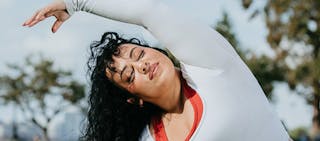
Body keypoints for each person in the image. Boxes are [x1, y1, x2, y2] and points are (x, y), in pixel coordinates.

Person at [23, 0, 292, 140]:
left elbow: (150, 12)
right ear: (133, 98)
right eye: (130, 76)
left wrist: (76, 3)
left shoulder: (212, 67)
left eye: (138, 54)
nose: (141, 65)